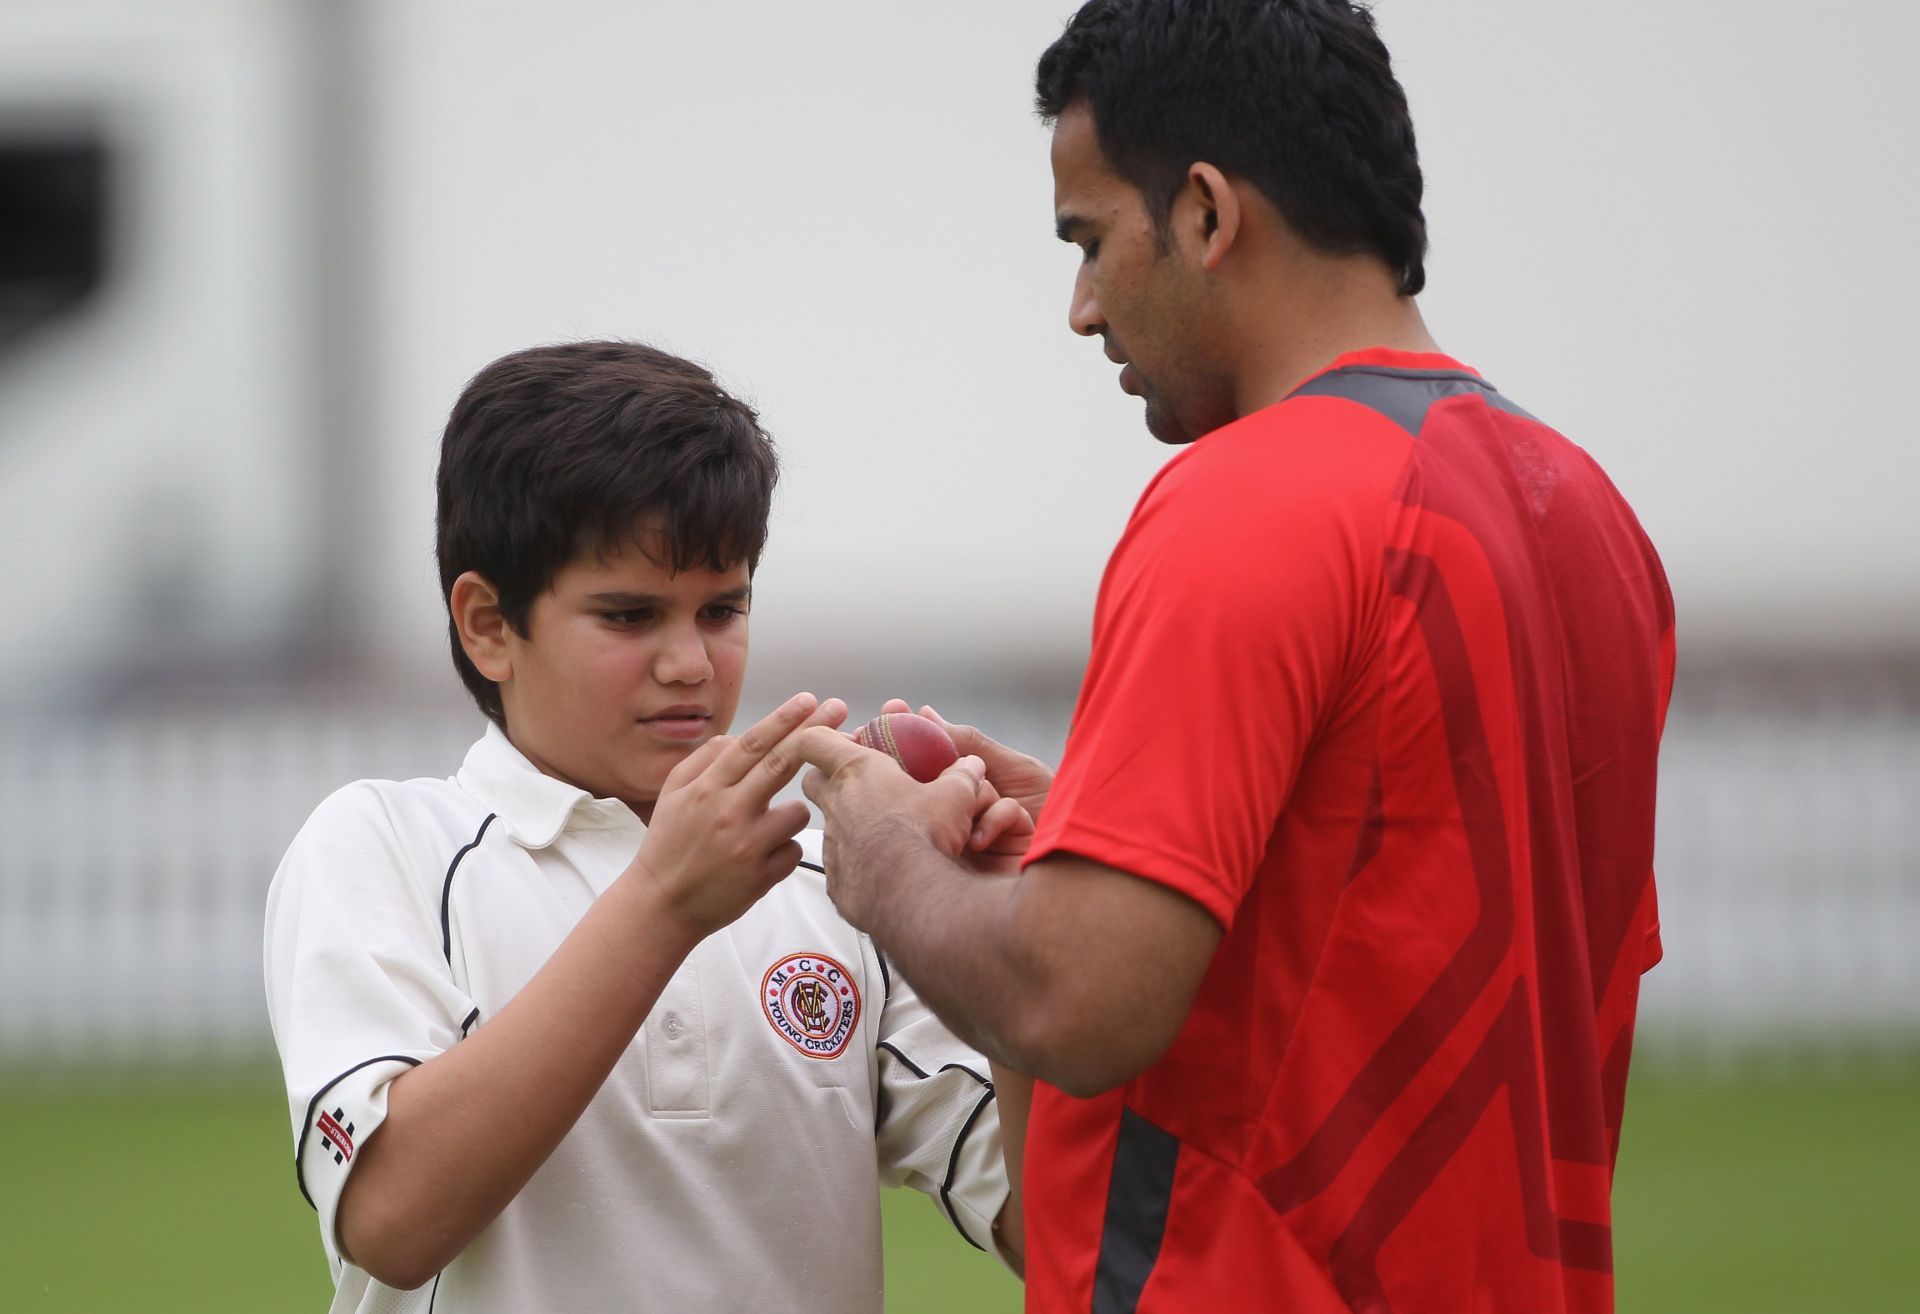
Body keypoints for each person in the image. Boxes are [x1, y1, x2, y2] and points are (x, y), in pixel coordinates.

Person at [794, 2, 1675, 1311]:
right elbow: (1397, 915)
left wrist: (885, 865)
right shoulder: (1595, 520)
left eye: (1090, 240)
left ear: (1206, 212)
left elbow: (1078, 997)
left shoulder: (1251, 497)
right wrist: (1084, 841)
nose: (1082, 309)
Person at [263, 341, 1027, 1313]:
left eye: (722, 608)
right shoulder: (386, 846)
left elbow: (1057, 1232)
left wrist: (1011, 935)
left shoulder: (835, 879)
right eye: (628, 616)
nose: (690, 664)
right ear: (487, 625)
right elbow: (391, 1217)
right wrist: (665, 904)